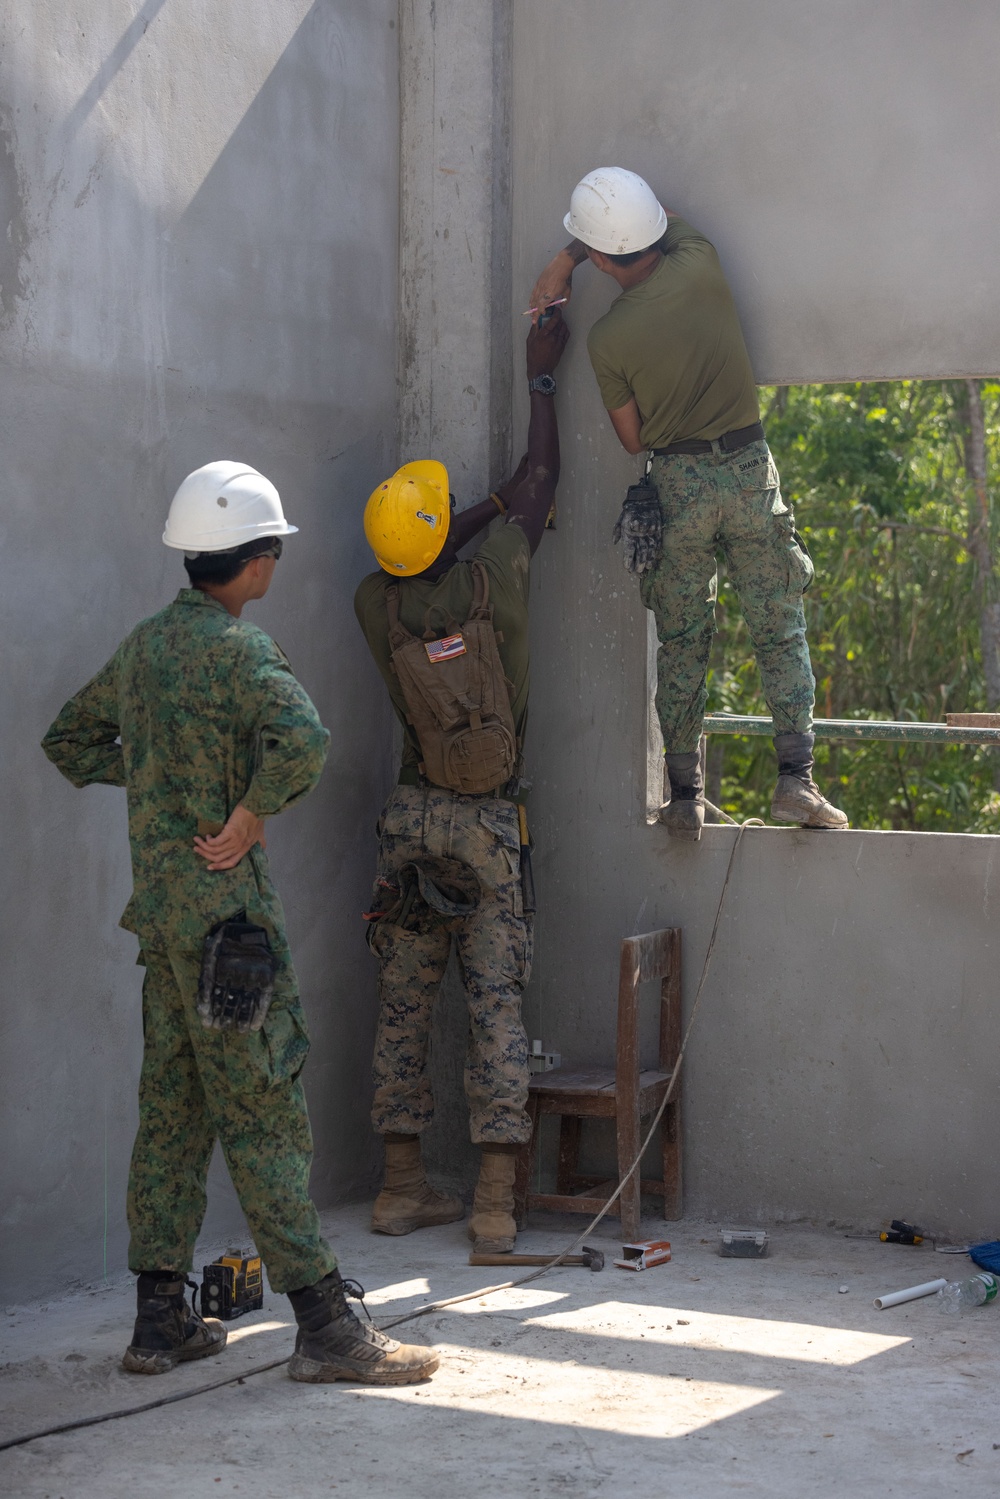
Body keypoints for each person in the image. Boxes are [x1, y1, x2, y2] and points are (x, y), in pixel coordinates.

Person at [41, 462, 436, 1385]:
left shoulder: (144, 650)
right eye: (274, 550)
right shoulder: (242, 655)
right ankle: (327, 1325)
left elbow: (69, 737)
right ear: (254, 564)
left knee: (172, 1112)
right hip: (231, 934)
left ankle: (158, 1320)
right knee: (263, 1114)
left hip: (167, 929)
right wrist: (252, 809)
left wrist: (154, 783)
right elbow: (307, 739)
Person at [529, 167, 847, 840]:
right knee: (778, 625)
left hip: (677, 484)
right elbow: (657, 218)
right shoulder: (700, 259)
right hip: (749, 471)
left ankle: (683, 798)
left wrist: (563, 262)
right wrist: (585, 249)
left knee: (682, 638)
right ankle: (796, 780)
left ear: (605, 262)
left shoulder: (608, 338)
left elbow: (632, 438)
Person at [354, 314, 569, 1254]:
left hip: (410, 822)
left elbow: (406, 558)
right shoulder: (500, 580)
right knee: (495, 1008)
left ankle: (400, 1189)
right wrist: (541, 380)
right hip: (487, 827)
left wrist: (442, 525)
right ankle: (490, 1206)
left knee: (405, 1004)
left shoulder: (378, 603)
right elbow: (540, 480)